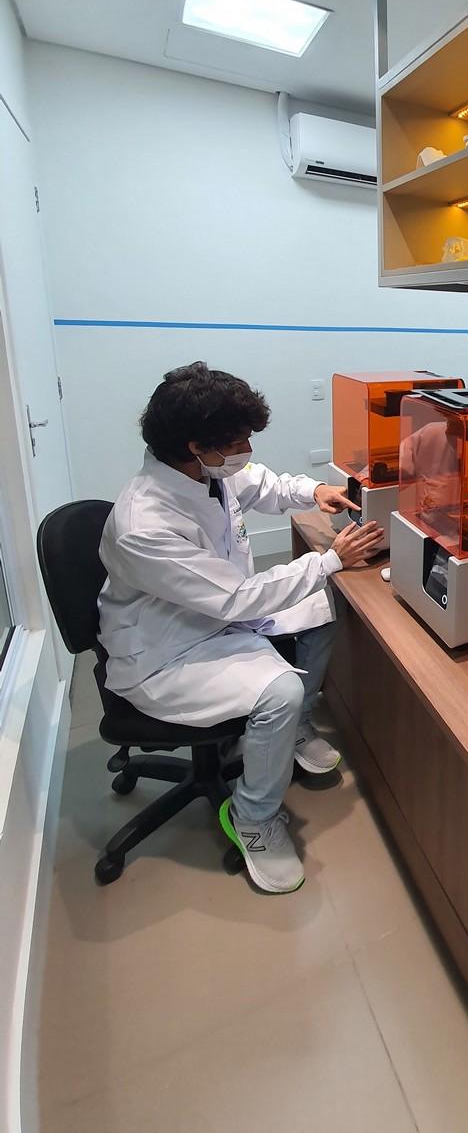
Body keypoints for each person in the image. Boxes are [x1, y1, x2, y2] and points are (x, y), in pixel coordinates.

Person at [98, 363, 384, 894]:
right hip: (167, 652)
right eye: (237, 442)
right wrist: (329, 559)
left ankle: (293, 727)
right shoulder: (145, 524)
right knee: (280, 690)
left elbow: (263, 484)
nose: (246, 449)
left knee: (319, 607)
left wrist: (315, 490)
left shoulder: (203, 471)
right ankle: (253, 816)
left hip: (213, 614)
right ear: (196, 445)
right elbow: (234, 598)